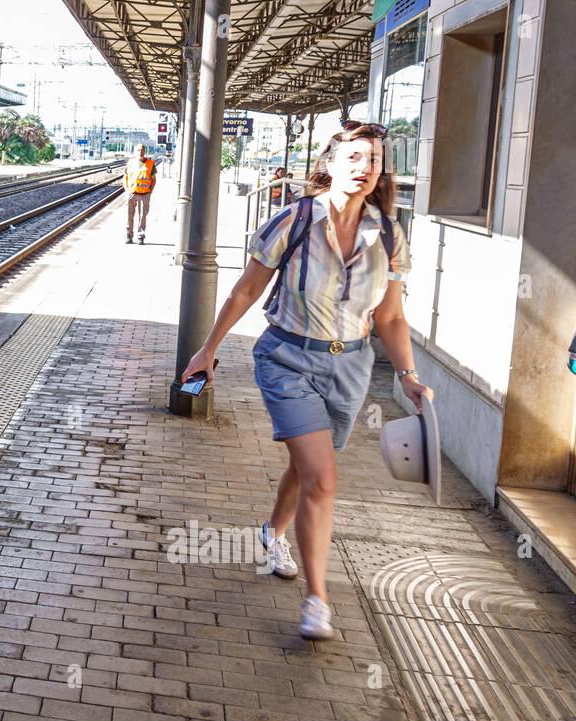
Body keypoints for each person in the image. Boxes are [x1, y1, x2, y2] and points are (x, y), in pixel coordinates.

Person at [180, 122, 432, 640]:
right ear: (332, 163)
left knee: (309, 465)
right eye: (355, 157)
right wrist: (208, 349)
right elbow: (247, 291)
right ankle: (318, 599)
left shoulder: (388, 234)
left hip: (351, 367)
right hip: (287, 359)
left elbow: (390, 318)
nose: (365, 168)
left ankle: (272, 532)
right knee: (323, 477)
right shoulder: (293, 220)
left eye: (375, 160)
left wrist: (407, 375)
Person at [123, 146, 156, 244]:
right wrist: (126, 190)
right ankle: (129, 236)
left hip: (145, 194)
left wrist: (150, 191)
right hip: (132, 193)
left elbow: (154, 179)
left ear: (145, 151)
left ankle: (140, 236)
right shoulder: (130, 163)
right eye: (138, 150)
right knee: (129, 215)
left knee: (142, 216)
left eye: (142, 150)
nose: (140, 152)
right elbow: (125, 177)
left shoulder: (150, 163)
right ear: (135, 151)